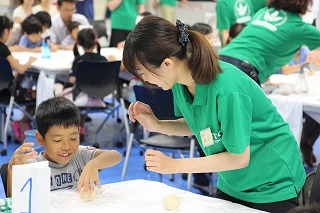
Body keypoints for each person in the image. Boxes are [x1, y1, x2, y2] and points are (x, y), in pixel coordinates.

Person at [122, 16, 306, 213]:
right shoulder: (179, 83)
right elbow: (200, 124)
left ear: (167, 63)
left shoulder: (227, 89)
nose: (144, 80)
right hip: (233, 181)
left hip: (273, 183)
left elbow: (238, 158)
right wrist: (157, 125)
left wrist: (175, 165)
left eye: (143, 73)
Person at [7, 96, 122, 197]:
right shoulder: (33, 165)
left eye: (73, 138)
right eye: (57, 140)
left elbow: (116, 156)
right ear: (41, 139)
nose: (67, 146)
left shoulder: (81, 155)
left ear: (79, 131)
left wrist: (94, 163)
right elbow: (15, 203)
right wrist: (12, 170)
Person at [219, 0, 320, 86]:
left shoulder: (262, 12)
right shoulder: (301, 28)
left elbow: (258, 44)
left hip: (220, 59)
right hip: (245, 66)